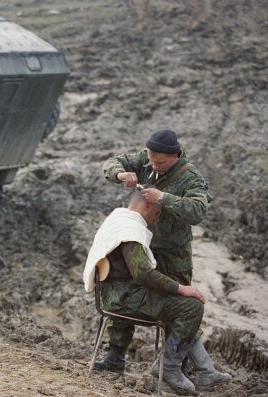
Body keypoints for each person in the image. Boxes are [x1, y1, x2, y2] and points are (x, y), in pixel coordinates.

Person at [83, 188, 230, 392]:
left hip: (114, 294)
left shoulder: (117, 218)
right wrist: (181, 288)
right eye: (157, 213)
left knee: (179, 303)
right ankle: (170, 367)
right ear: (147, 205)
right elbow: (142, 273)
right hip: (125, 300)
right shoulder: (131, 230)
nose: (155, 219)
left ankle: (206, 371)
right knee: (191, 306)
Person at [100, 129, 209, 369]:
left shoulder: (191, 177)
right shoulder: (147, 159)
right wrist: (120, 174)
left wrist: (163, 198)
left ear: (175, 156)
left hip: (172, 252)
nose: (153, 165)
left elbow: (198, 211)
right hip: (141, 242)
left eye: (159, 162)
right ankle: (114, 356)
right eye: (150, 160)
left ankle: (176, 366)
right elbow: (110, 164)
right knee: (126, 291)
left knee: (178, 304)